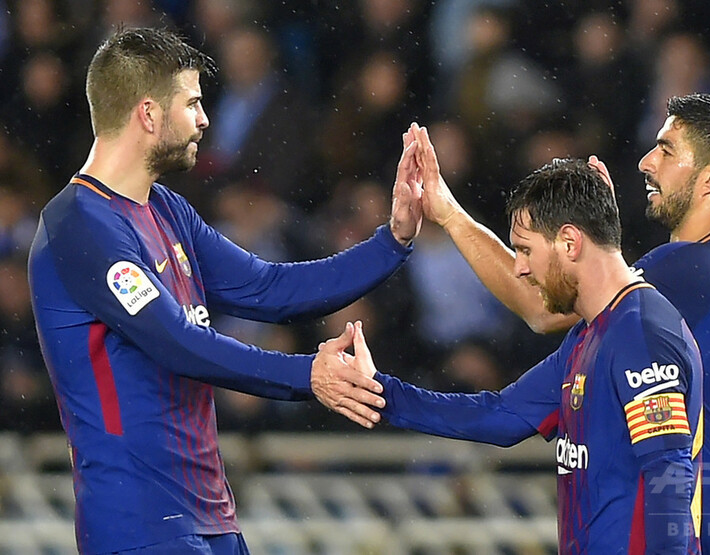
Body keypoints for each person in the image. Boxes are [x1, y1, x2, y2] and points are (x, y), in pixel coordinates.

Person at [27, 27, 422, 554]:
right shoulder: (79, 224)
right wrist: (307, 374)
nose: (204, 120)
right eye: (192, 104)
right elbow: (178, 343)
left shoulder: (166, 209)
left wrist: (393, 240)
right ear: (149, 114)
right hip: (138, 523)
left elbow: (270, 288)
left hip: (210, 514)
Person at [413, 93, 710, 552]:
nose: (647, 163)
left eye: (667, 150)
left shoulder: (685, 271)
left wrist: (448, 214)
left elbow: (542, 307)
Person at [336, 158, 703, 553]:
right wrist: (379, 392)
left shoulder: (640, 332)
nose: (521, 270)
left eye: (525, 250)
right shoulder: (591, 334)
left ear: (570, 242)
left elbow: (669, 475)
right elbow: (501, 415)